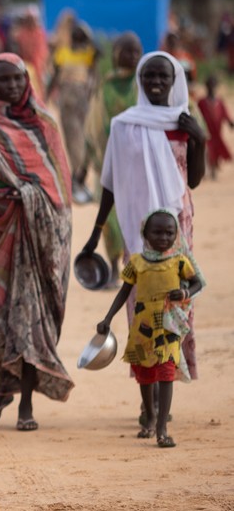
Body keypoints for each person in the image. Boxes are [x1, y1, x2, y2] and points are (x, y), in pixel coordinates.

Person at [0, 53, 74, 431]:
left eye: (17, 78)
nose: (11, 86)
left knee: (28, 318)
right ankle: (1, 387)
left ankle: (26, 406)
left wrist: (29, 196)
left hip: (33, 230)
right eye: (2, 80)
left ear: (27, 80)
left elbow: (57, 186)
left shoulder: (44, 123)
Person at [82, 51, 206, 381]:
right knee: (140, 301)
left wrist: (200, 140)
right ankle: (147, 383)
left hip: (176, 226)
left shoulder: (184, 122)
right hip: (138, 228)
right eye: (149, 75)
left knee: (176, 299)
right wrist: (96, 232)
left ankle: (167, 376)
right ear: (139, 79)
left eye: (163, 76)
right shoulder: (124, 125)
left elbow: (193, 180)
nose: (156, 81)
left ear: (175, 80)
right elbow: (110, 184)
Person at [96, 210, 203, 448]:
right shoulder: (136, 263)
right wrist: (108, 318)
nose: (164, 237)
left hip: (168, 329)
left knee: (166, 374)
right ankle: (151, 418)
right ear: (145, 234)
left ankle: (162, 429)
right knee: (144, 375)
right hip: (142, 330)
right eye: (157, 232)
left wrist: (185, 292)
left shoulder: (179, 261)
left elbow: (197, 283)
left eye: (169, 233)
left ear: (176, 235)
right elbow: (124, 292)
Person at [84, 33, 143, 282]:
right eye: (126, 50)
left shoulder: (145, 83)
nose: (132, 56)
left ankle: (137, 267)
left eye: (136, 51)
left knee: (137, 217)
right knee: (109, 218)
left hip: (139, 165)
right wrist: (86, 162)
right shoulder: (105, 86)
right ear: (115, 54)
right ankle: (113, 266)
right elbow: (93, 124)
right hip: (108, 163)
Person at [47, 22, 100, 203]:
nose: (78, 39)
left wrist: (88, 35)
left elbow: (99, 52)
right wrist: (45, 97)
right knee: (72, 138)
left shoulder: (89, 54)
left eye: (80, 36)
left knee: (85, 137)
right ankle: (77, 176)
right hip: (67, 101)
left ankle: (81, 175)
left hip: (84, 100)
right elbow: (55, 77)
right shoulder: (62, 53)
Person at [199, 74, 233, 180]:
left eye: (213, 85)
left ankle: (214, 169)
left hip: (217, 133)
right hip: (207, 133)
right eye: (209, 85)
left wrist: (230, 123)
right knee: (208, 151)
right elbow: (198, 116)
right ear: (206, 86)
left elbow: (225, 114)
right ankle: (209, 170)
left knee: (217, 151)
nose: (211, 88)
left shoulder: (219, 102)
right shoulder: (202, 102)